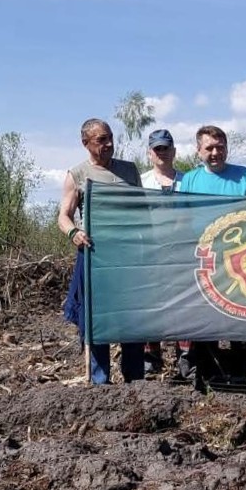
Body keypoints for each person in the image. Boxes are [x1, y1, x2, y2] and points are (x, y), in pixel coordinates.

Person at [59, 118, 145, 384]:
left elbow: (144, 210)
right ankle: (100, 381)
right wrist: (74, 233)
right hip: (95, 257)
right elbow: (63, 216)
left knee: (131, 316)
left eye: (110, 138)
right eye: (101, 140)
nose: (108, 144)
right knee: (97, 316)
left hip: (128, 256)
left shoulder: (129, 170)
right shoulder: (77, 174)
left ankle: (135, 380)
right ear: (85, 143)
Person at [179, 125, 246, 382]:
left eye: (220, 147)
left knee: (242, 317)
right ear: (198, 151)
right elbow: (180, 219)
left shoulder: (244, 175)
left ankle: (241, 376)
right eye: (209, 148)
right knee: (205, 318)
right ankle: (207, 375)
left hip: (241, 260)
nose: (215, 153)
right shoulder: (189, 179)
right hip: (205, 260)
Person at [139, 128, 184, 374]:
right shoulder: (140, 182)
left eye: (166, 148)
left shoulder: (188, 181)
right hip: (150, 253)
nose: (162, 153)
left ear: (173, 151)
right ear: (150, 153)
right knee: (151, 304)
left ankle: (185, 358)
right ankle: (151, 357)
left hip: (182, 253)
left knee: (183, 304)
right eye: (157, 149)